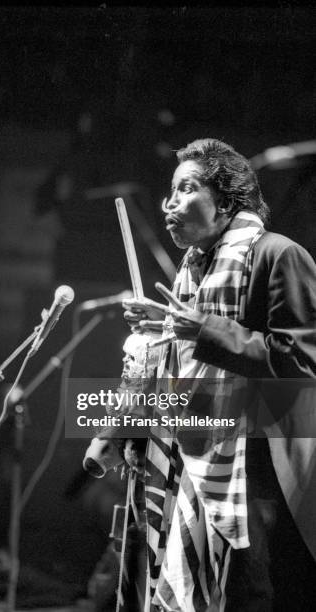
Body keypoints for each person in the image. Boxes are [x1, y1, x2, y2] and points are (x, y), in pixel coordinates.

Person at [122, 138, 316, 611]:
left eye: (185, 189)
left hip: (260, 471)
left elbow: (301, 363)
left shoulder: (278, 254)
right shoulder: (196, 271)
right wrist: (167, 326)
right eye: (169, 191)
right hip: (195, 455)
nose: (169, 203)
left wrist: (204, 328)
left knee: (249, 594)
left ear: (226, 200)